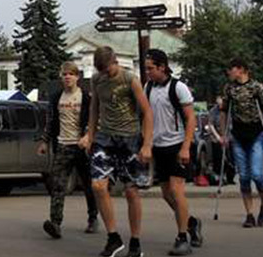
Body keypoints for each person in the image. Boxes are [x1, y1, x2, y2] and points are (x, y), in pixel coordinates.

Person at [85, 46, 153, 257]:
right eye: (101, 71)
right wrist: (90, 134)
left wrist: (147, 144)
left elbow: (147, 112)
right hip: (105, 138)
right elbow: (94, 108)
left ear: (115, 62)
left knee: (131, 191)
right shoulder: (96, 80)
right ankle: (113, 238)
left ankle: (135, 241)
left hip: (129, 139)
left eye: (107, 70)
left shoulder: (129, 79)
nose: (105, 74)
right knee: (97, 185)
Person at [144, 49, 202, 256]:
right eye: (146, 68)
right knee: (166, 194)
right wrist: (147, 144)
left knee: (177, 192)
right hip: (159, 147)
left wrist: (186, 147)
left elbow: (191, 118)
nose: (148, 72)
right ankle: (191, 223)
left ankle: (182, 238)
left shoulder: (179, 88)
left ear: (162, 66)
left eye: (150, 68)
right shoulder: (148, 87)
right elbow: (147, 118)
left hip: (177, 146)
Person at [38, 61, 99, 240]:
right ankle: (55, 223)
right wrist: (44, 141)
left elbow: (94, 120)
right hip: (62, 145)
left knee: (88, 184)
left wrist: (88, 136)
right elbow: (50, 121)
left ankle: (93, 217)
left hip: (82, 147)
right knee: (57, 185)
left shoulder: (86, 98)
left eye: (71, 74)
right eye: (64, 74)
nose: (67, 77)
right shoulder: (56, 97)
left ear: (77, 77)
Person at [219, 58, 263, 228]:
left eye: (232, 69)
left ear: (241, 70)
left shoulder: (257, 87)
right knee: (243, 177)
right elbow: (223, 112)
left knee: (257, 174)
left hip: (256, 134)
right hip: (238, 136)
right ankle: (249, 214)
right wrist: (224, 134)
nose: (229, 72)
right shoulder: (229, 89)